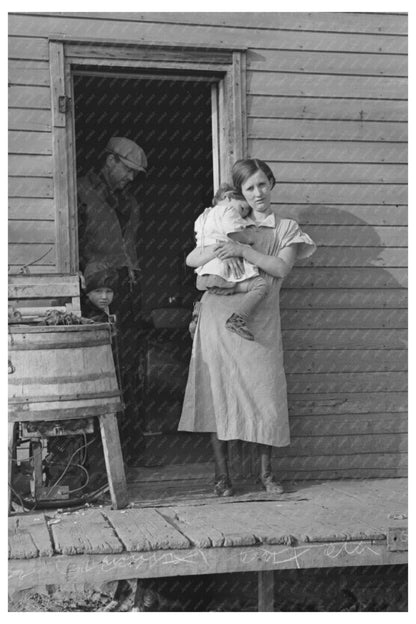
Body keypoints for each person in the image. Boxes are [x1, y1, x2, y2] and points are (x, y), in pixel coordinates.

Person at [178, 158, 316, 497]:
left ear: (271, 183)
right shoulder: (227, 221)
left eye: (262, 184)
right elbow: (193, 260)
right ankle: (222, 477)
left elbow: (280, 269)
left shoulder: (285, 228)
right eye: (250, 187)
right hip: (217, 320)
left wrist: (242, 249)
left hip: (260, 322)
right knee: (218, 394)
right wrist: (220, 247)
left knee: (264, 393)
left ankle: (266, 475)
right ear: (239, 192)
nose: (258, 193)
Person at [77, 137, 148, 460]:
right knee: (96, 372)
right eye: (128, 170)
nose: (131, 177)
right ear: (110, 161)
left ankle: (131, 449)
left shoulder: (130, 202)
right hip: (93, 292)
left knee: (130, 370)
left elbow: (130, 246)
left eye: (136, 173)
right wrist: (86, 282)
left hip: (126, 290)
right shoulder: (79, 191)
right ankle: (93, 458)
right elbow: (74, 243)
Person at [193, 183, 269, 341]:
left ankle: (198, 314)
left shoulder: (203, 217)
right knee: (260, 285)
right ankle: (238, 319)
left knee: (212, 292)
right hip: (222, 272)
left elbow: (200, 241)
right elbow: (233, 233)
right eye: (242, 208)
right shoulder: (227, 211)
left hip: (205, 274)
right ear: (228, 197)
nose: (242, 215)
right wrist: (248, 239)